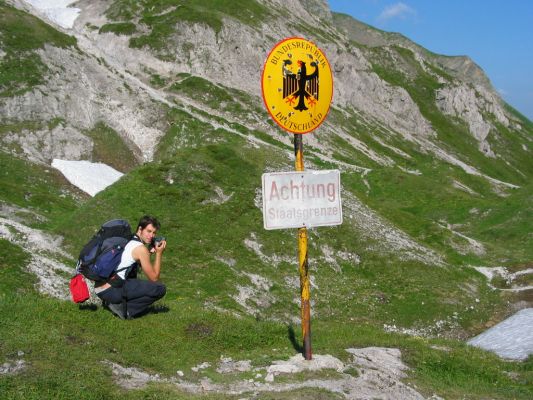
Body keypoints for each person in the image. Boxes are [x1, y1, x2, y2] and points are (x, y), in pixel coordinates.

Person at [95, 215, 167, 319]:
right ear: (140, 229)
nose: (151, 236)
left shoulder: (129, 239)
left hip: (101, 287)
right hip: (111, 290)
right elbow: (154, 278)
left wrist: (149, 253)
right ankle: (126, 310)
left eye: (154, 233)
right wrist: (159, 253)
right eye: (149, 231)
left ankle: (114, 303)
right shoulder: (141, 249)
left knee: (133, 278)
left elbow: (128, 261)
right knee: (160, 288)